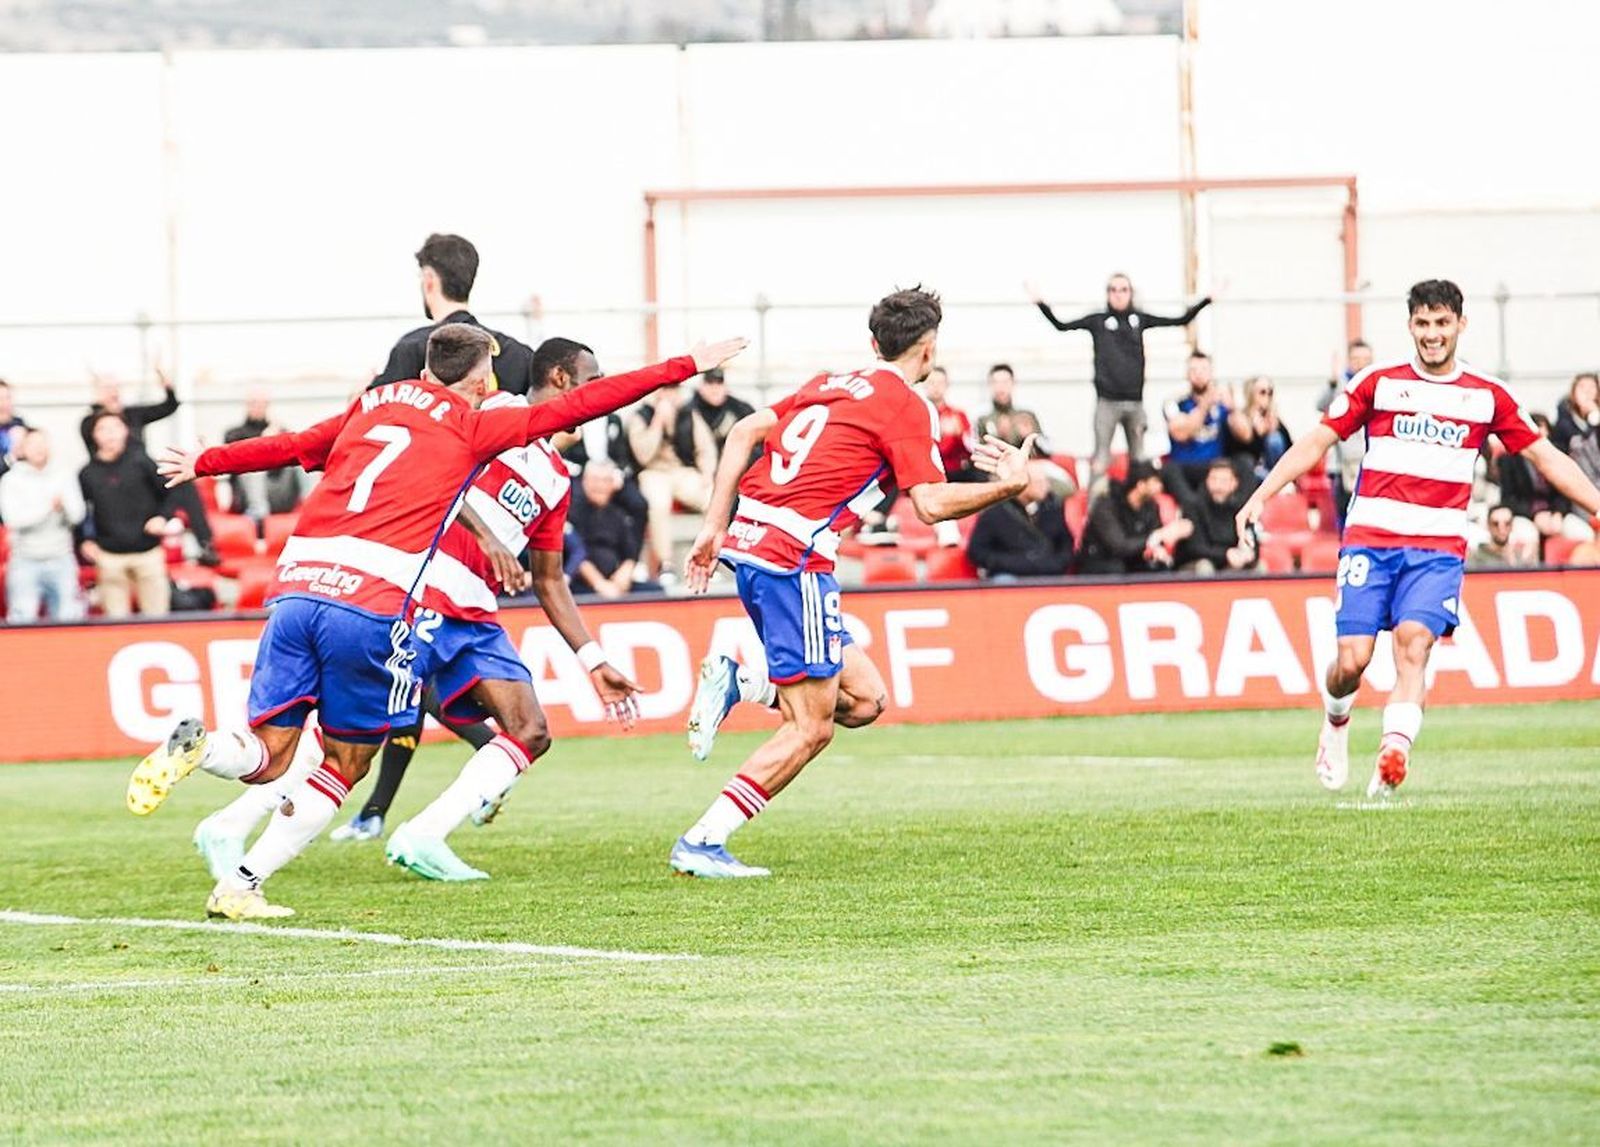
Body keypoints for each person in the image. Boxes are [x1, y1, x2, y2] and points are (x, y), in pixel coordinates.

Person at [131, 323, 745, 920]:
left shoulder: (374, 405)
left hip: (302, 589)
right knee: (345, 758)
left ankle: (208, 752)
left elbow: (293, 445)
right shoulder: (479, 422)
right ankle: (241, 875)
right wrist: (686, 364)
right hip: (381, 600)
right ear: (482, 381)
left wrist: (206, 461)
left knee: (273, 752)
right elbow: (581, 406)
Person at [196, 379, 648, 883]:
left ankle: (422, 834)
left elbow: (548, 578)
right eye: (589, 382)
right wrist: (486, 535)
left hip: (474, 613)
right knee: (352, 737)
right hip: (423, 590)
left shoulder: (558, 478)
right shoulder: (491, 413)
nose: (592, 402)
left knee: (529, 729)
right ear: (561, 381)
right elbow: (437, 471)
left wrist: (593, 659)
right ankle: (235, 830)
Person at [675, 287, 1035, 878]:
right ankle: (703, 841)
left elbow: (741, 433)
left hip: (753, 548)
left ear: (873, 343)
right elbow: (930, 505)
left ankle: (741, 682)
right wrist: (1010, 486)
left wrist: (713, 528)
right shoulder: (907, 406)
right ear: (928, 349)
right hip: (794, 560)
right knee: (811, 728)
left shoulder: (829, 382)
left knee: (865, 701)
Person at [1236, 279, 1600, 798]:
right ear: (1410, 325)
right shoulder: (1378, 382)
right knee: (1352, 661)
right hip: (1370, 542)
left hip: (1436, 551)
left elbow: (1545, 457)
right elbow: (1317, 441)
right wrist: (1261, 495)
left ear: (1460, 325)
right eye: (1423, 323)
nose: (1432, 334)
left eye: (1442, 323)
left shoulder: (1486, 395)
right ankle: (1336, 720)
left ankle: (1394, 751)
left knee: (1414, 645)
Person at [1028, 273, 1213, 478]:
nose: (1118, 295)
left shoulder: (1140, 319)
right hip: (1106, 403)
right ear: (1107, 294)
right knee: (1101, 458)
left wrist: (1207, 300)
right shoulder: (1098, 321)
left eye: (1123, 290)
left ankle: (1138, 497)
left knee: (1139, 458)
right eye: (1113, 290)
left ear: (1131, 293)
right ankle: (1096, 498)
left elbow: (1181, 320)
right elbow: (1061, 325)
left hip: (1135, 403)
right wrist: (1040, 303)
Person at [371, 233, 540, 395]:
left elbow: (377, 409)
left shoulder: (413, 348)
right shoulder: (519, 355)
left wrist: (365, 387)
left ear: (429, 280)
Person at [80, 371, 218, 564]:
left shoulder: (132, 415)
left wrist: (167, 386)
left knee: (183, 483)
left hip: (143, 476)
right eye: (107, 388)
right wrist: (101, 409)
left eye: (115, 388)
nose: (112, 392)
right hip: (113, 484)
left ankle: (206, 544)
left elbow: (168, 407)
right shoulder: (90, 423)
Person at [78, 412, 174, 619]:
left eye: (115, 427)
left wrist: (162, 517)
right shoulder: (87, 473)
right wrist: (85, 540)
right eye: (103, 429)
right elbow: (82, 511)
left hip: (148, 551)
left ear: (125, 431)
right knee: (115, 621)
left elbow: (170, 493)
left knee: (157, 618)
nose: (110, 434)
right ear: (94, 435)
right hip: (109, 556)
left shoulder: (142, 462)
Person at [626, 385, 716, 577]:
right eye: (666, 389)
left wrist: (707, 473)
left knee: (712, 498)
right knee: (658, 505)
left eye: (674, 389)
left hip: (682, 471)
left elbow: (706, 448)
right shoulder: (641, 416)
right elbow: (643, 455)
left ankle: (708, 558)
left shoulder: (688, 413)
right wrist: (658, 421)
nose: (670, 394)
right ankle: (666, 563)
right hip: (653, 472)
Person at [0, 428, 86, 622]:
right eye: (33, 444)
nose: (39, 448)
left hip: (62, 558)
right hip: (24, 561)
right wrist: (49, 507)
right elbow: (14, 520)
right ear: (23, 449)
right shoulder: (10, 480)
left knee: (69, 620)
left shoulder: (64, 475)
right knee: (22, 619)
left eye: (42, 443)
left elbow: (77, 515)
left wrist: (63, 507)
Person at [1074, 459, 1194, 575]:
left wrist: (1157, 549)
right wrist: (1154, 538)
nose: (1160, 487)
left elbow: (1154, 534)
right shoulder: (1106, 506)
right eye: (1155, 482)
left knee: (1160, 566)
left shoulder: (1151, 507)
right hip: (1100, 560)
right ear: (1141, 485)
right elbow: (1119, 546)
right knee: (1116, 568)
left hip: (1132, 558)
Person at [965, 460, 1074, 578]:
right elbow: (978, 551)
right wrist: (1010, 563)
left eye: (1046, 481)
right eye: (1039, 482)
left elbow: (1065, 544)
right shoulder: (994, 512)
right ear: (1023, 485)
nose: (1046, 487)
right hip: (1009, 573)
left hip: (1047, 572)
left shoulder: (1053, 507)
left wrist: (1055, 563)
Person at [1497, 413, 1576, 558]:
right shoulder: (1509, 460)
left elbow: (1566, 492)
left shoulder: (1558, 456)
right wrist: (1535, 515)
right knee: (1527, 537)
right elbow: (1508, 499)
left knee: (1580, 532)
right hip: (1525, 515)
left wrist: (1558, 513)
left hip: (1554, 514)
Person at [568, 461, 652, 596]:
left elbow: (630, 554)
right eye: (595, 480)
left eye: (605, 480)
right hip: (581, 584)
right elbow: (575, 553)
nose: (600, 486)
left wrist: (624, 574)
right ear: (584, 482)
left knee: (657, 591)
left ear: (613, 484)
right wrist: (599, 583)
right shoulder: (572, 513)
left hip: (616, 582)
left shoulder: (619, 515)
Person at [1160, 351, 1232, 510]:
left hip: (1213, 468)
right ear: (1186, 374)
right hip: (1183, 467)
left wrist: (1234, 408)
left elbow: (1245, 435)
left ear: (1211, 373)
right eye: (1194, 370)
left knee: (1242, 463)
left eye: (1204, 370)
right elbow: (1181, 434)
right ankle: (1192, 510)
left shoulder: (1222, 402)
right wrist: (1205, 405)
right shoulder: (1174, 402)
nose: (1199, 375)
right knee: (1169, 470)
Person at [1318, 339, 1375, 524]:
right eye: (1356, 359)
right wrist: (1332, 382)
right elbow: (1320, 405)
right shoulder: (1340, 385)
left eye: (1366, 359)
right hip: (1342, 463)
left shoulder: (1377, 384)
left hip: (1368, 458)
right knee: (1344, 512)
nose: (1361, 363)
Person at [223, 391, 302, 520]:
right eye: (254, 403)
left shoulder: (279, 431)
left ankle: (312, 506)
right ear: (247, 405)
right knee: (253, 467)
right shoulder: (234, 434)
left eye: (262, 403)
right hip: (247, 497)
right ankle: (258, 514)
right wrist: (264, 441)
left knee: (302, 458)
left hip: (279, 492)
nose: (258, 407)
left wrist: (279, 440)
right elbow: (234, 461)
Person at [1174, 458, 1257, 574]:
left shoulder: (1241, 509)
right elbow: (1195, 548)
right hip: (1195, 564)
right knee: (1205, 567)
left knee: (1259, 567)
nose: (1218, 486)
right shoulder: (1193, 506)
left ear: (1234, 483)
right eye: (1213, 479)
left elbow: (1251, 539)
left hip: (1231, 564)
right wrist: (1226, 554)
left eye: (1224, 481)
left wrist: (1247, 553)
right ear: (1207, 481)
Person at [1226, 374, 1292, 481]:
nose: (1267, 396)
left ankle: (1278, 479)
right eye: (1262, 392)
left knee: (1274, 438)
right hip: (1251, 467)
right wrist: (1257, 432)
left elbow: (1288, 446)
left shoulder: (1273, 418)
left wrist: (1272, 428)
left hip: (1272, 469)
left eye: (1270, 392)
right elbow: (1243, 450)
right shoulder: (1242, 418)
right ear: (1251, 393)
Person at [972, 364, 1047, 452]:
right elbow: (978, 451)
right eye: (995, 382)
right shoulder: (983, 420)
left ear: (1013, 384)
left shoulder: (1027, 417)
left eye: (1005, 382)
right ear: (990, 385)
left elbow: (1046, 448)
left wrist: (1029, 436)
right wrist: (999, 437)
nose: (1000, 387)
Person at [691, 367, 757, 457]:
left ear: (725, 387)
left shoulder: (740, 408)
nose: (715, 388)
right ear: (701, 387)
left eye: (719, 383)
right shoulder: (689, 411)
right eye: (710, 383)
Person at [925, 365, 976, 479]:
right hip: (929, 473)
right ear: (925, 385)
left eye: (940, 383)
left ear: (947, 385)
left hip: (957, 473)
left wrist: (959, 433)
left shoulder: (958, 415)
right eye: (932, 382)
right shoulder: (919, 414)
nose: (936, 387)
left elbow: (971, 448)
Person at [1467, 504, 1531, 569]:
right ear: (1488, 525)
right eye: (1495, 524)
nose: (1501, 530)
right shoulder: (1477, 555)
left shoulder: (1520, 555)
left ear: (1512, 526)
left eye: (1507, 524)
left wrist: (1512, 561)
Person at [1552, 371, 1599, 456]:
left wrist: (1595, 415)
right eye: (1582, 387)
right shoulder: (1565, 415)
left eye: (1592, 387)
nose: (1587, 391)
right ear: (1574, 392)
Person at [0, 379, 27, 485]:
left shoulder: (19, 424)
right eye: (0, 399)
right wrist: (12, 455)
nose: (4, 404)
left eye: (8, 398)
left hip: (19, 487)